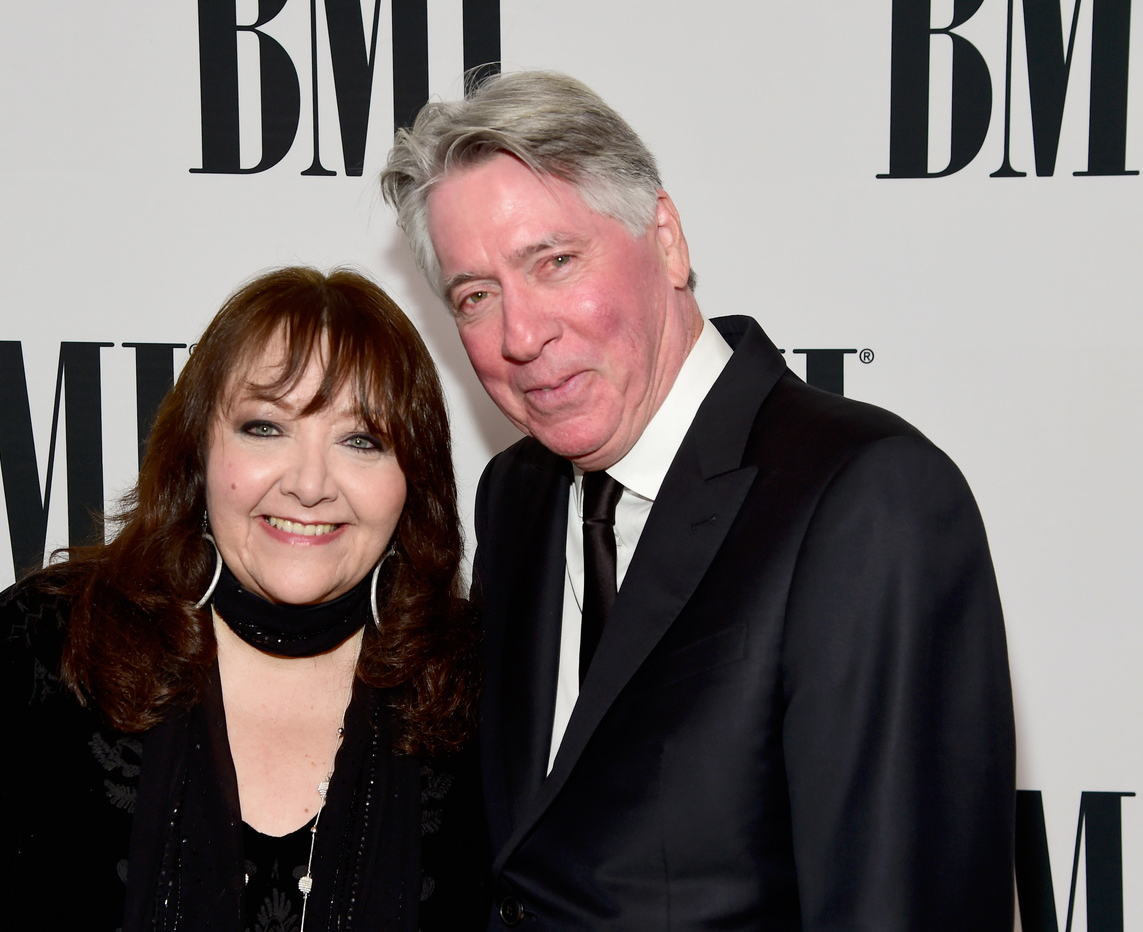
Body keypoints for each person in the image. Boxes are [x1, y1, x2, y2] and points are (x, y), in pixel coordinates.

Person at [381, 71, 1015, 930]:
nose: (521, 336)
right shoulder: (516, 497)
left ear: (668, 242)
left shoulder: (867, 497)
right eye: (476, 296)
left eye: (555, 262)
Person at [0, 267, 487, 931]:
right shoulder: (42, 652)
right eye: (265, 428)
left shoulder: (473, 692)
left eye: (361, 440)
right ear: (198, 450)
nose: (310, 484)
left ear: (414, 480)